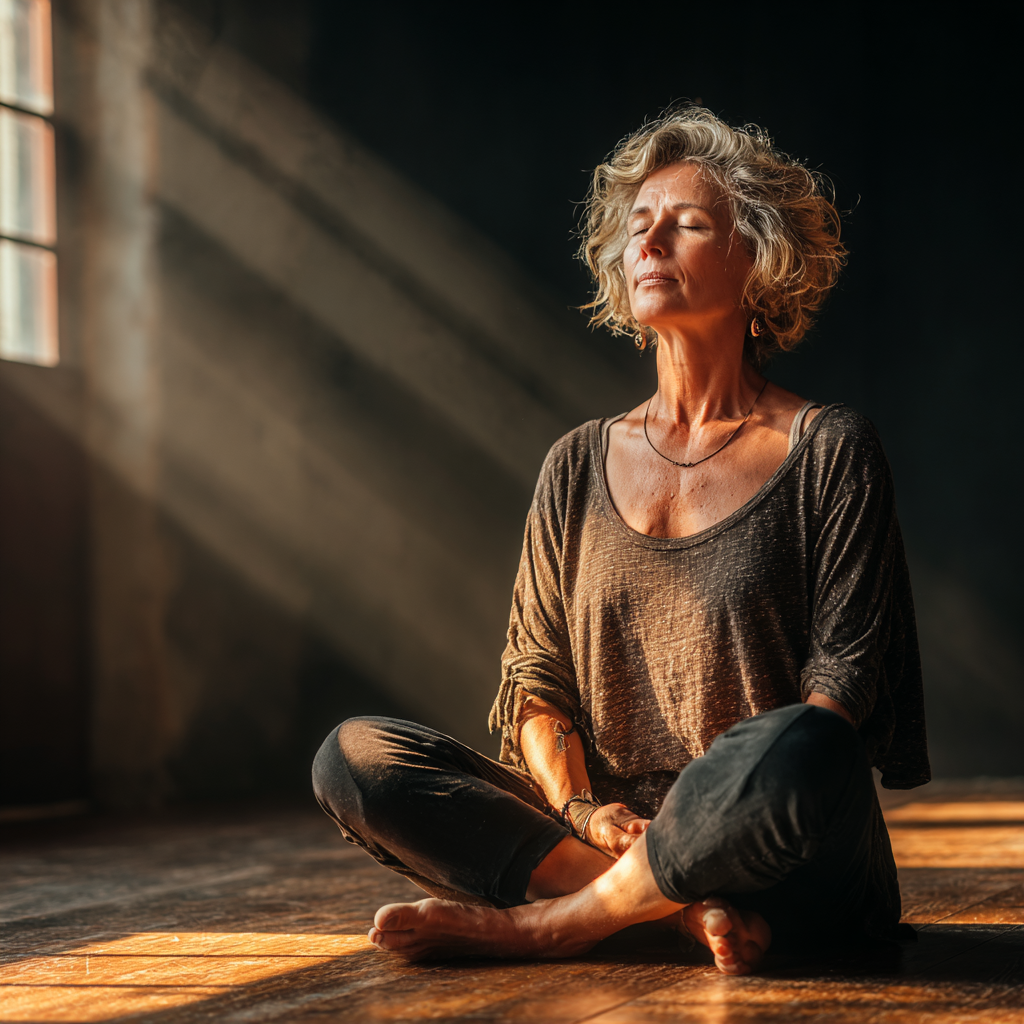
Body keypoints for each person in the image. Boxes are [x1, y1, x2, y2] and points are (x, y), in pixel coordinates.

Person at [311, 107, 929, 975]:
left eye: (686, 225)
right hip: (601, 834)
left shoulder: (829, 448)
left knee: (804, 740)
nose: (650, 244)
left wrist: (707, 815)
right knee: (356, 757)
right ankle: (661, 913)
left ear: (755, 257)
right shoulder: (575, 462)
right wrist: (585, 814)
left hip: (785, 850)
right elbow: (536, 681)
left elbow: (844, 694)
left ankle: (549, 926)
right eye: (638, 228)